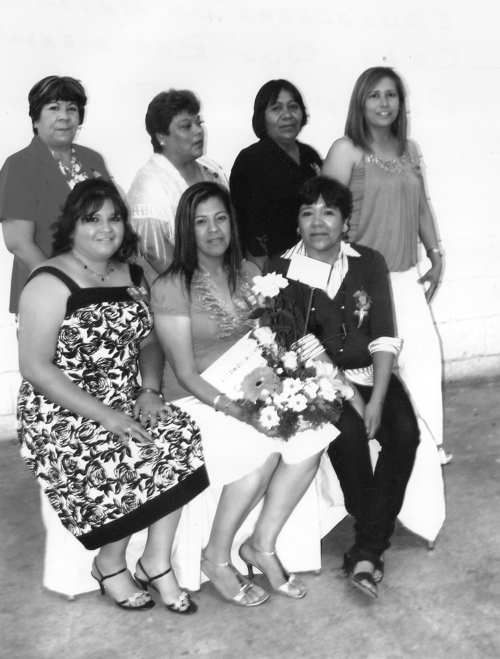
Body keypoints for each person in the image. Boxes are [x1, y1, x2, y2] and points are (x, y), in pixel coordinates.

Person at [17, 179, 208, 613]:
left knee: (179, 434)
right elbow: (35, 367)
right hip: (60, 407)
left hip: (125, 394)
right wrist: (105, 416)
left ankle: (156, 562)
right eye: (92, 219)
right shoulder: (48, 281)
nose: (106, 228)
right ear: (71, 226)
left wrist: (150, 389)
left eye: (115, 218)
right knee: (126, 449)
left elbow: (149, 340)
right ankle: (109, 562)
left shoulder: (134, 273)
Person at [151, 181, 337, 606]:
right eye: (201, 222)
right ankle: (216, 557)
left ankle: (260, 546)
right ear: (186, 230)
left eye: (220, 218)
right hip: (198, 399)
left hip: (253, 386)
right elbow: (185, 373)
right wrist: (238, 411)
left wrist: (289, 385)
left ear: (232, 223)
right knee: (260, 451)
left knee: (314, 435)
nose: (213, 230)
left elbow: (266, 342)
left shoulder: (250, 273)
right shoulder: (171, 286)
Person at [270, 176, 420, 598]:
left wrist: (376, 398)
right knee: (349, 436)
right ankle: (371, 548)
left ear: (345, 222)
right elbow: (299, 343)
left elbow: (384, 335)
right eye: (308, 212)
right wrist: (353, 399)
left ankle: (366, 546)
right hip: (316, 381)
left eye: (329, 212)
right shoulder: (281, 269)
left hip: (370, 373)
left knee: (404, 433)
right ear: (297, 223)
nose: (318, 222)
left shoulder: (367, 261)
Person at [322, 67, 450, 465]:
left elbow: (421, 205)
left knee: (423, 359)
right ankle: (374, 454)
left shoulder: (408, 149)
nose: (384, 103)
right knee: (369, 371)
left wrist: (436, 254)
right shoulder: (347, 150)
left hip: (405, 277)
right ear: (360, 102)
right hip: (362, 280)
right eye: (374, 95)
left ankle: (429, 452)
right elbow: (323, 216)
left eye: (391, 95)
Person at [0, 75, 112, 315]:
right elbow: (19, 244)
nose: (64, 116)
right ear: (36, 118)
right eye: (54, 108)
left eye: (72, 108)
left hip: (101, 287)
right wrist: (67, 287)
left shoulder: (93, 159)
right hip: (48, 294)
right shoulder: (20, 165)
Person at [127, 89, 228, 282]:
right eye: (186, 126)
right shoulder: (148, 182)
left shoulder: (211, 169)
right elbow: (153, 250)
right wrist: (204, 289)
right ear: (161, 137)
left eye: (199, 123)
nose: (198, 131)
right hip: (177, 288)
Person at [230, 79, 322, 270]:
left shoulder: (310, 155)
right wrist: (263, 278)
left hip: (315, 259)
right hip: (274, 266)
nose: (287, 115)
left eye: (293, 107)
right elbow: (249, 228)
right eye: (276, 108)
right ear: (262, 116)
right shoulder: (251, 160)